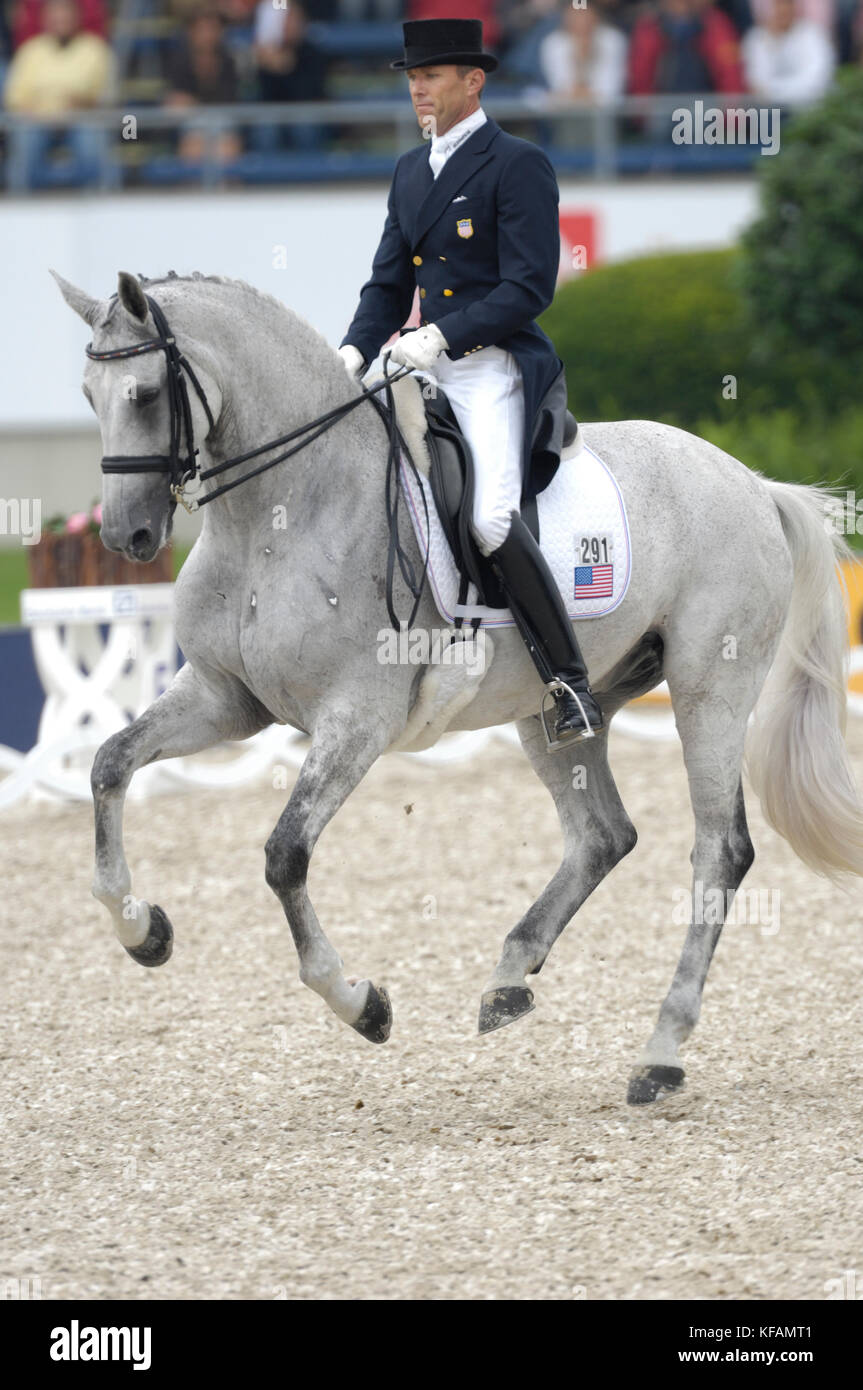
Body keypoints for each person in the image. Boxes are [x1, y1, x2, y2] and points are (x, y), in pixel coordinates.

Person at [338, 17, 603, 745]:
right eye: (412, 78)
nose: (418, 89)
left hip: (490, 367)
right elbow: (386, 286)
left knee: (489, 518)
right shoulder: (408, 170)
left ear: (472, 81)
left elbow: (527, 287)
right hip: (417, 364)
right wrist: (353, 353)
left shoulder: (515, 163)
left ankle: (568, 684)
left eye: (430, 77)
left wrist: (442, 335)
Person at [4, 0, 116, 189]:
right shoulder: (30, 51)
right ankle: (25, 201)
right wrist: (32, 112)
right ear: (45, 19)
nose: (60, 19)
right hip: (37, 121)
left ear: (77, 17)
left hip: (82, 119)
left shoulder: (96, 49)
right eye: (55, 14)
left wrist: (84, 103)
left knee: (90, 139)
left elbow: (108, 96)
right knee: (26, 138)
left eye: (66, 14)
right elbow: (14, 97)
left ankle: (94, 201)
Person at [742, 0, 835, 103]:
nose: (782, 10)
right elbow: (757, 82)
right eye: (778, 5)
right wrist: (773, 42)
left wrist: (773, 91)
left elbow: (817, 81)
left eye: (787, 5)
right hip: (770, 111)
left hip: (809, 110)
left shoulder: (813, 34)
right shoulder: (757, 38)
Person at [538, 0, 628, 104]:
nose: (581, 19)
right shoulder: (554, 43)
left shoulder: (612, 40)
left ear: (595, 14)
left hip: (603, 113)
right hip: (565, 112)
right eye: (575, 14)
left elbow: (609, 90)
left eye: (584, 13)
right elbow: (561, 87)